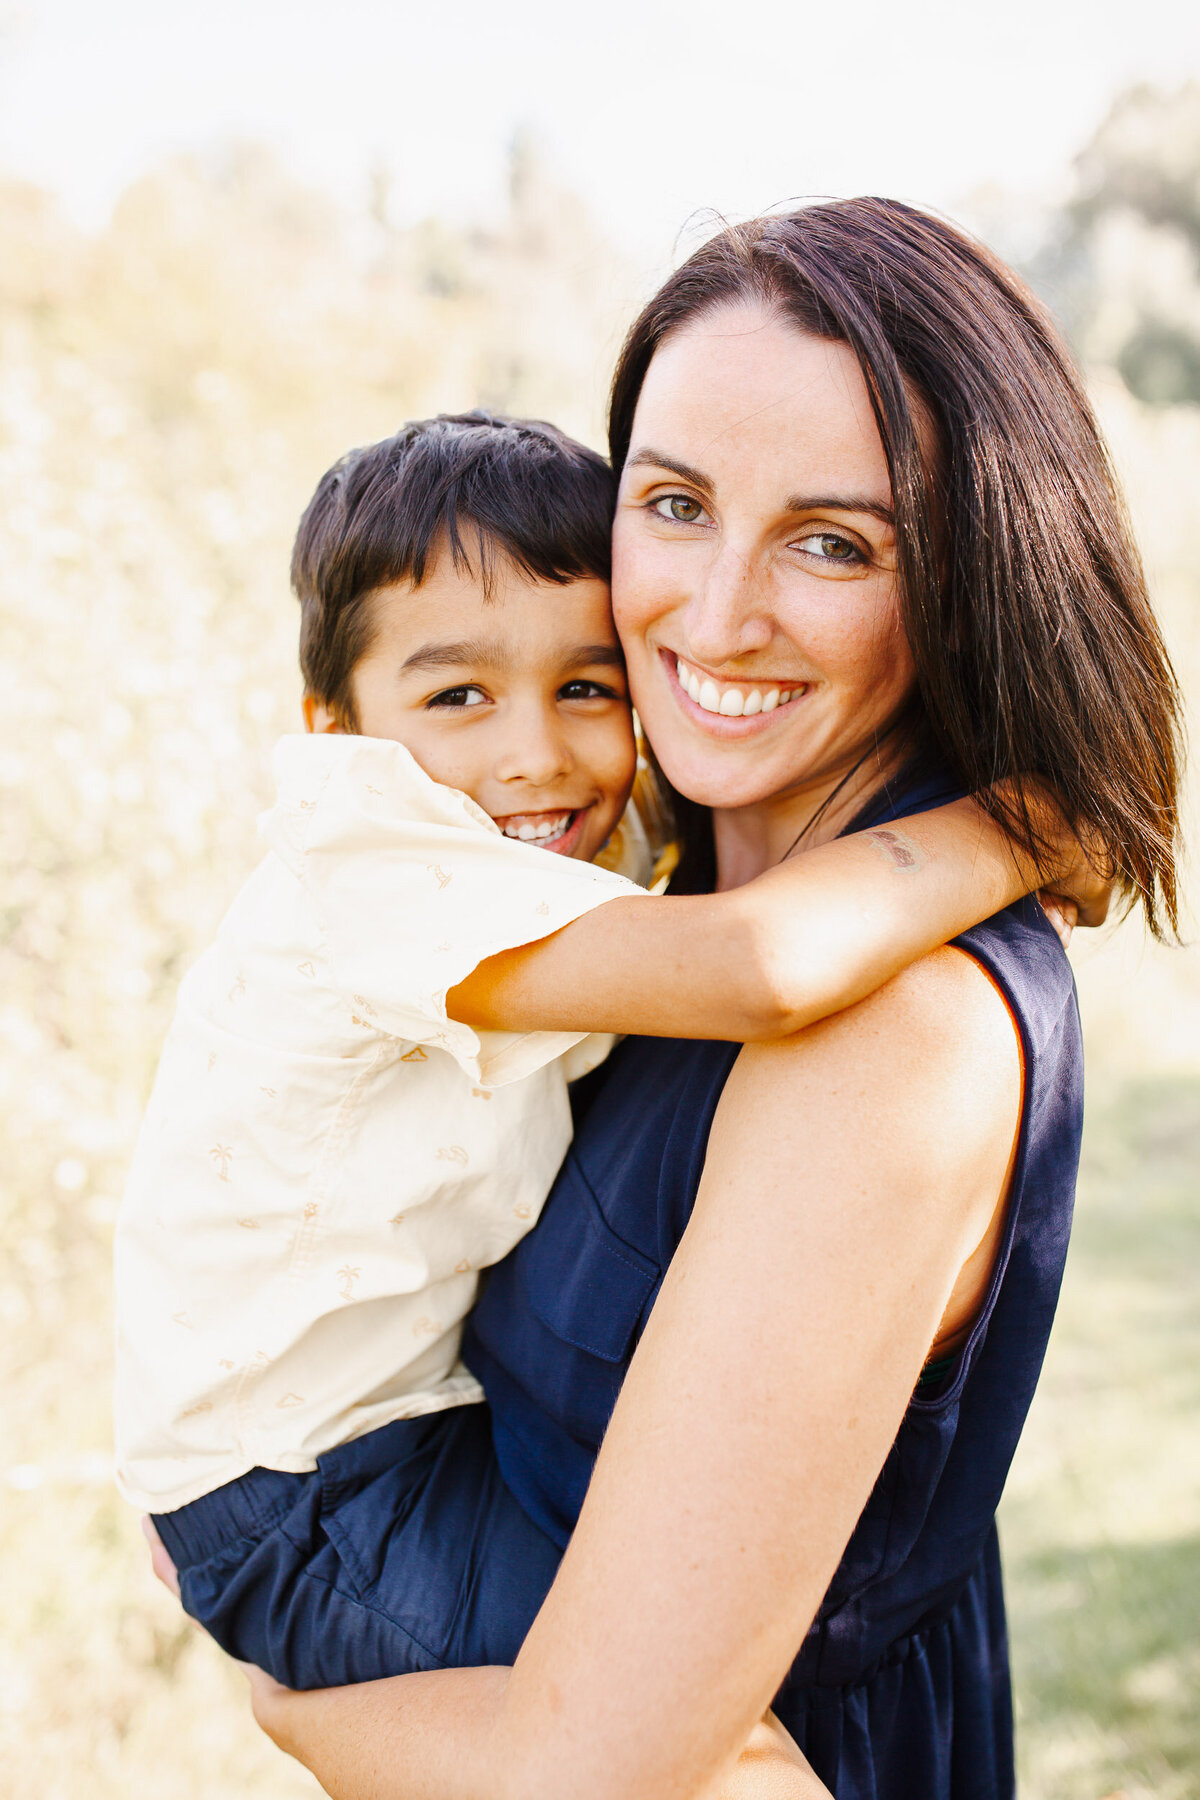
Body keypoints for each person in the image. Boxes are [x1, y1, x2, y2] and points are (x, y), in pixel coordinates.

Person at [163, 201, 1181, 1800]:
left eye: (834, 541)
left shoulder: (886, 1034)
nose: (714, 618)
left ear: (970, 571)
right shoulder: (635, 889)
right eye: (677, 505)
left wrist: (291, 1707)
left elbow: (590, 1773)